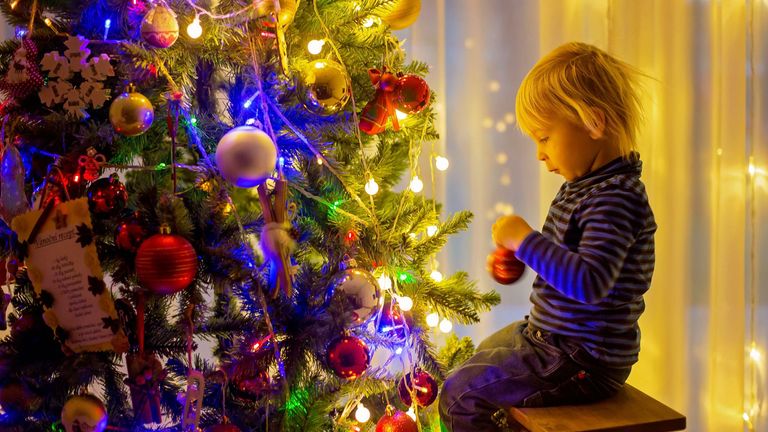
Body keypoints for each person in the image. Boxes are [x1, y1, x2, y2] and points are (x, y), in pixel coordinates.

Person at [438, 42, 657, 432]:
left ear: (593, 123)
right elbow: (565, 258)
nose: (540, 154)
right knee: (466, 370)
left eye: (544, 137)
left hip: (582, 357)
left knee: (460, 396)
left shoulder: (616, 198)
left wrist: (526, 241)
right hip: (552, 337)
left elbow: (590, 283)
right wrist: (518, 257)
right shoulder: (586, 185)